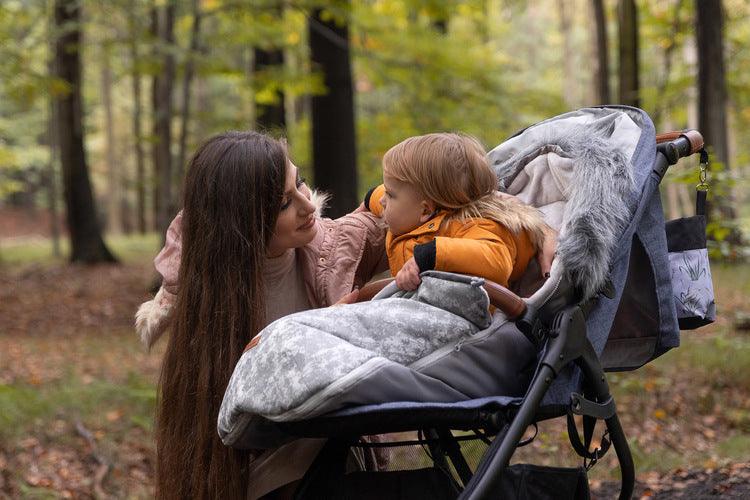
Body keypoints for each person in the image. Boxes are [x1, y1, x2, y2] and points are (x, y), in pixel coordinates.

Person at [135, 131, 388, 499]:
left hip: (337, 462)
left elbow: (415, 212)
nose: (308, 204)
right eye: (285, 202)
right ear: (242, 222)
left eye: (299, 181)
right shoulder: (211, 298)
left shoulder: (334, 250)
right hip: (250, 475)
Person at [363, 132, 551, 292]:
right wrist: (367, 200)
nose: (382, 200)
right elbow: (378, 195)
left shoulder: (476, 225)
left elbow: (497, 260)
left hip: (466, 316)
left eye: (389, 194)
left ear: (426, 210)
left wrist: (429, 255)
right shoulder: (410, 210)